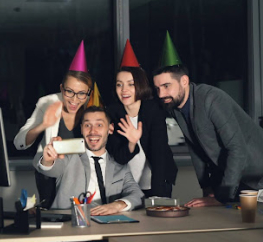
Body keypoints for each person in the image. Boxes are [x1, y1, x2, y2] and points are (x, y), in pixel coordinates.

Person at [152, 31, 263, 207]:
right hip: (233, 177)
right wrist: (208, 187)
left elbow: (237, 149)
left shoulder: (211, 99)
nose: (161, 94)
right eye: (157, 88)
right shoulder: (176, 108)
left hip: (257, 177)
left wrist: (221, 196)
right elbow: (196, 150)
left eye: (166, 86)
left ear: (184, 81)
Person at [14, 41, 92, 209]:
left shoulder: (94, 110)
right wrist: (43, 125)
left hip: (80, 172)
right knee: (52, 219)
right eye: (69, 91)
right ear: (62, 88)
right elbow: (19, 142)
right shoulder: (48, 103)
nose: (74, 99)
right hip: (48, 172)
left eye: (81, 94)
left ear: (88, 94)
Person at [34, 106, 144, 214]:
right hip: (71, 225)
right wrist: (48, 159)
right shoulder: (69, 158)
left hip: (109, 226)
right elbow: (50, 169)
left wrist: (117, 205)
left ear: (110, 129)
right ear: (81, 129)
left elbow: (137, 194)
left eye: (99, 125)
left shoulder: (120, 166)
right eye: (87, 125)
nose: (93, 131)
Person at [107, 40, 177, 198]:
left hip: (158, 181)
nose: (124, 90)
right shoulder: (113, 114)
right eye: (119, 85)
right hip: (126, 186)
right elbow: (119, 158)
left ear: (140, 85)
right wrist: (132, 142)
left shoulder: (153, 111)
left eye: (130, 84)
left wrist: (158, 197)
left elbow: (159, 155)